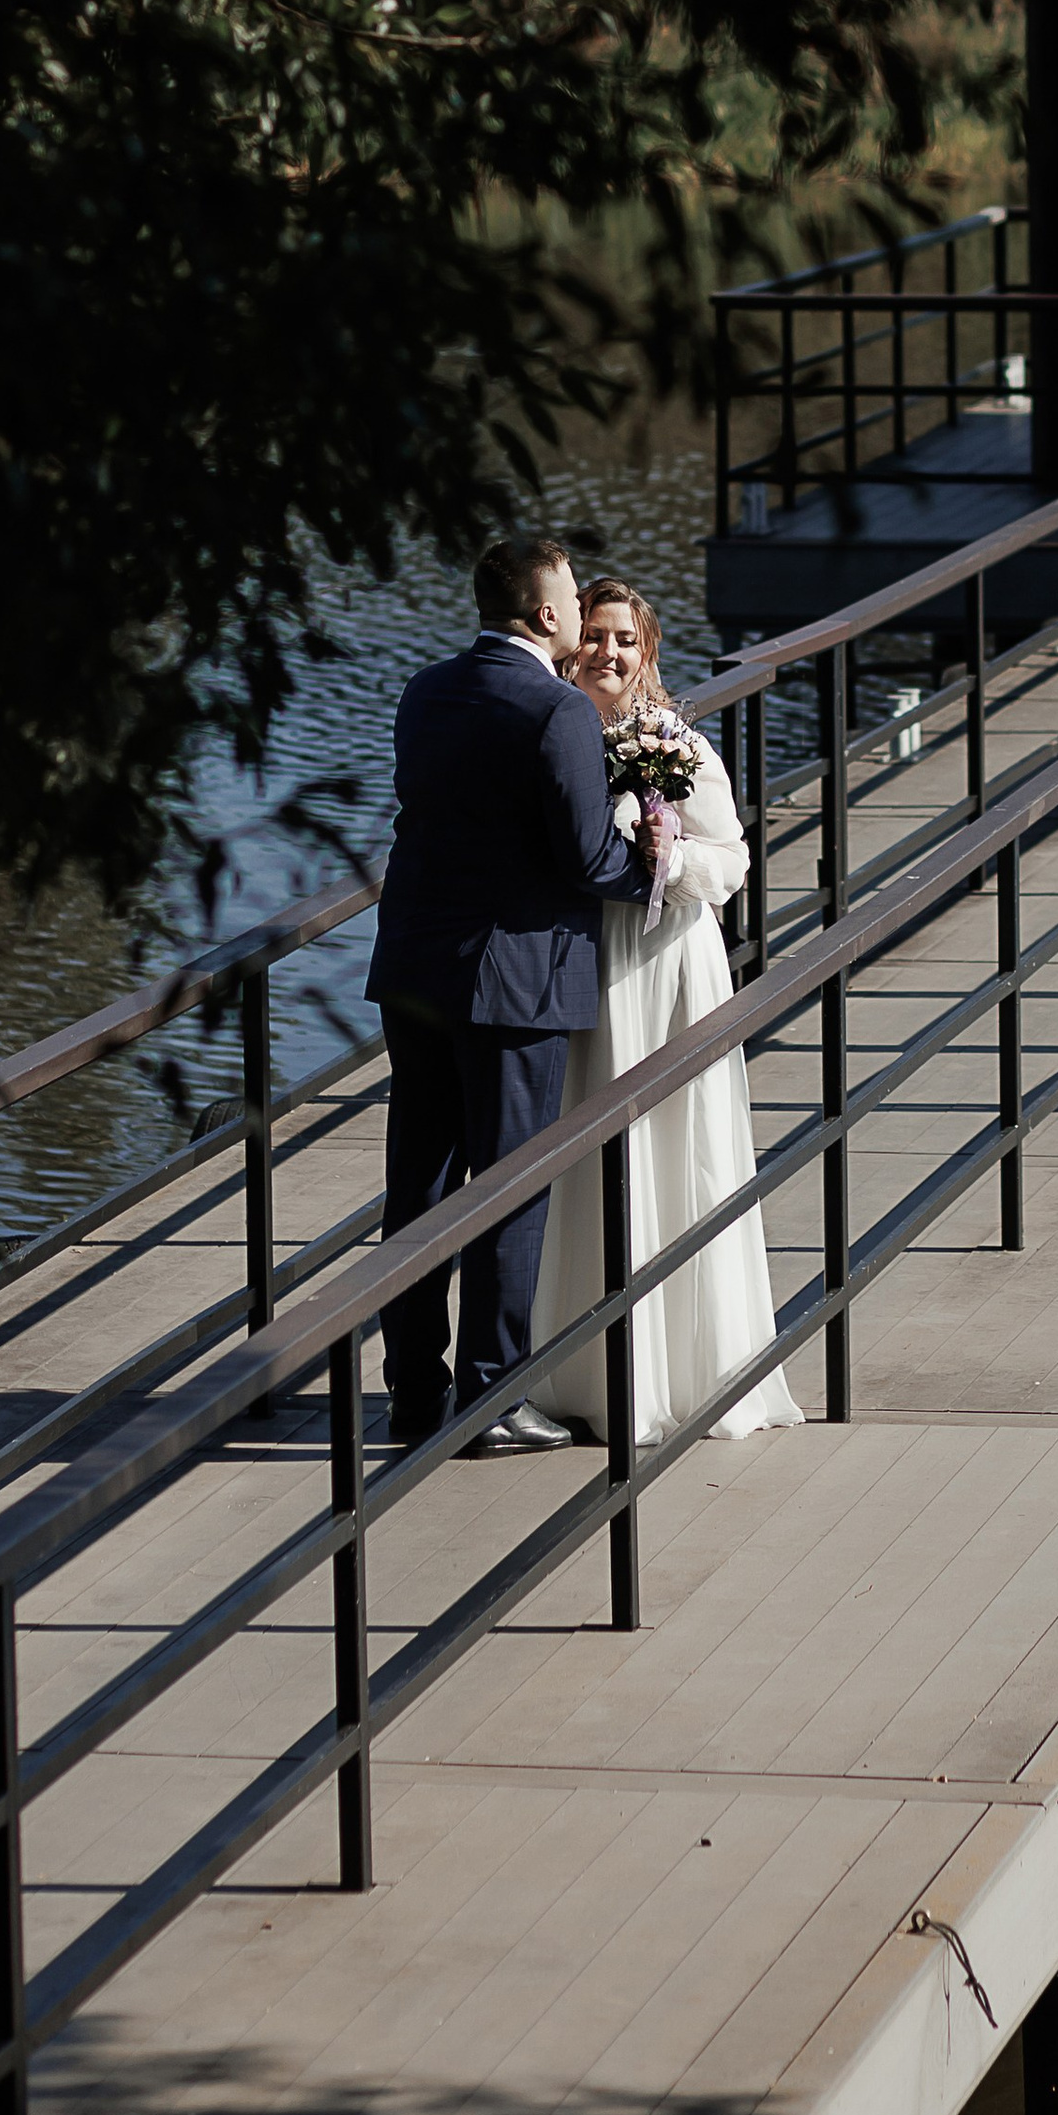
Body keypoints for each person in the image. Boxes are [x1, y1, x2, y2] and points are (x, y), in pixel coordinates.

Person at [365, 531, 678, 1454]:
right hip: (516, 985)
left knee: (417, 1191)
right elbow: (586, 857)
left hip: (416, 969)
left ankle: (414, 1394)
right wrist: (650, 866)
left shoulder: (426, 690)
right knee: (509, 1190)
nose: (585, 613)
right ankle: (493, 1397)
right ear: (547, 615)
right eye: (575, 598)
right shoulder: (557, 712)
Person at [533, 579, 802, 1446]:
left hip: (666, 964)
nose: (607, 654)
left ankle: (681, 1368)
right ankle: (580, 1369)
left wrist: (669, 855)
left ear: (646, 655)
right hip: (587, 968)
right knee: (587, 1149)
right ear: (571, 648)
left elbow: (733, 863)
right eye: (595, 637)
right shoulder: (551, 736)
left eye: (625, 641)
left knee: (675, 1146)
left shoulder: (676, 743)